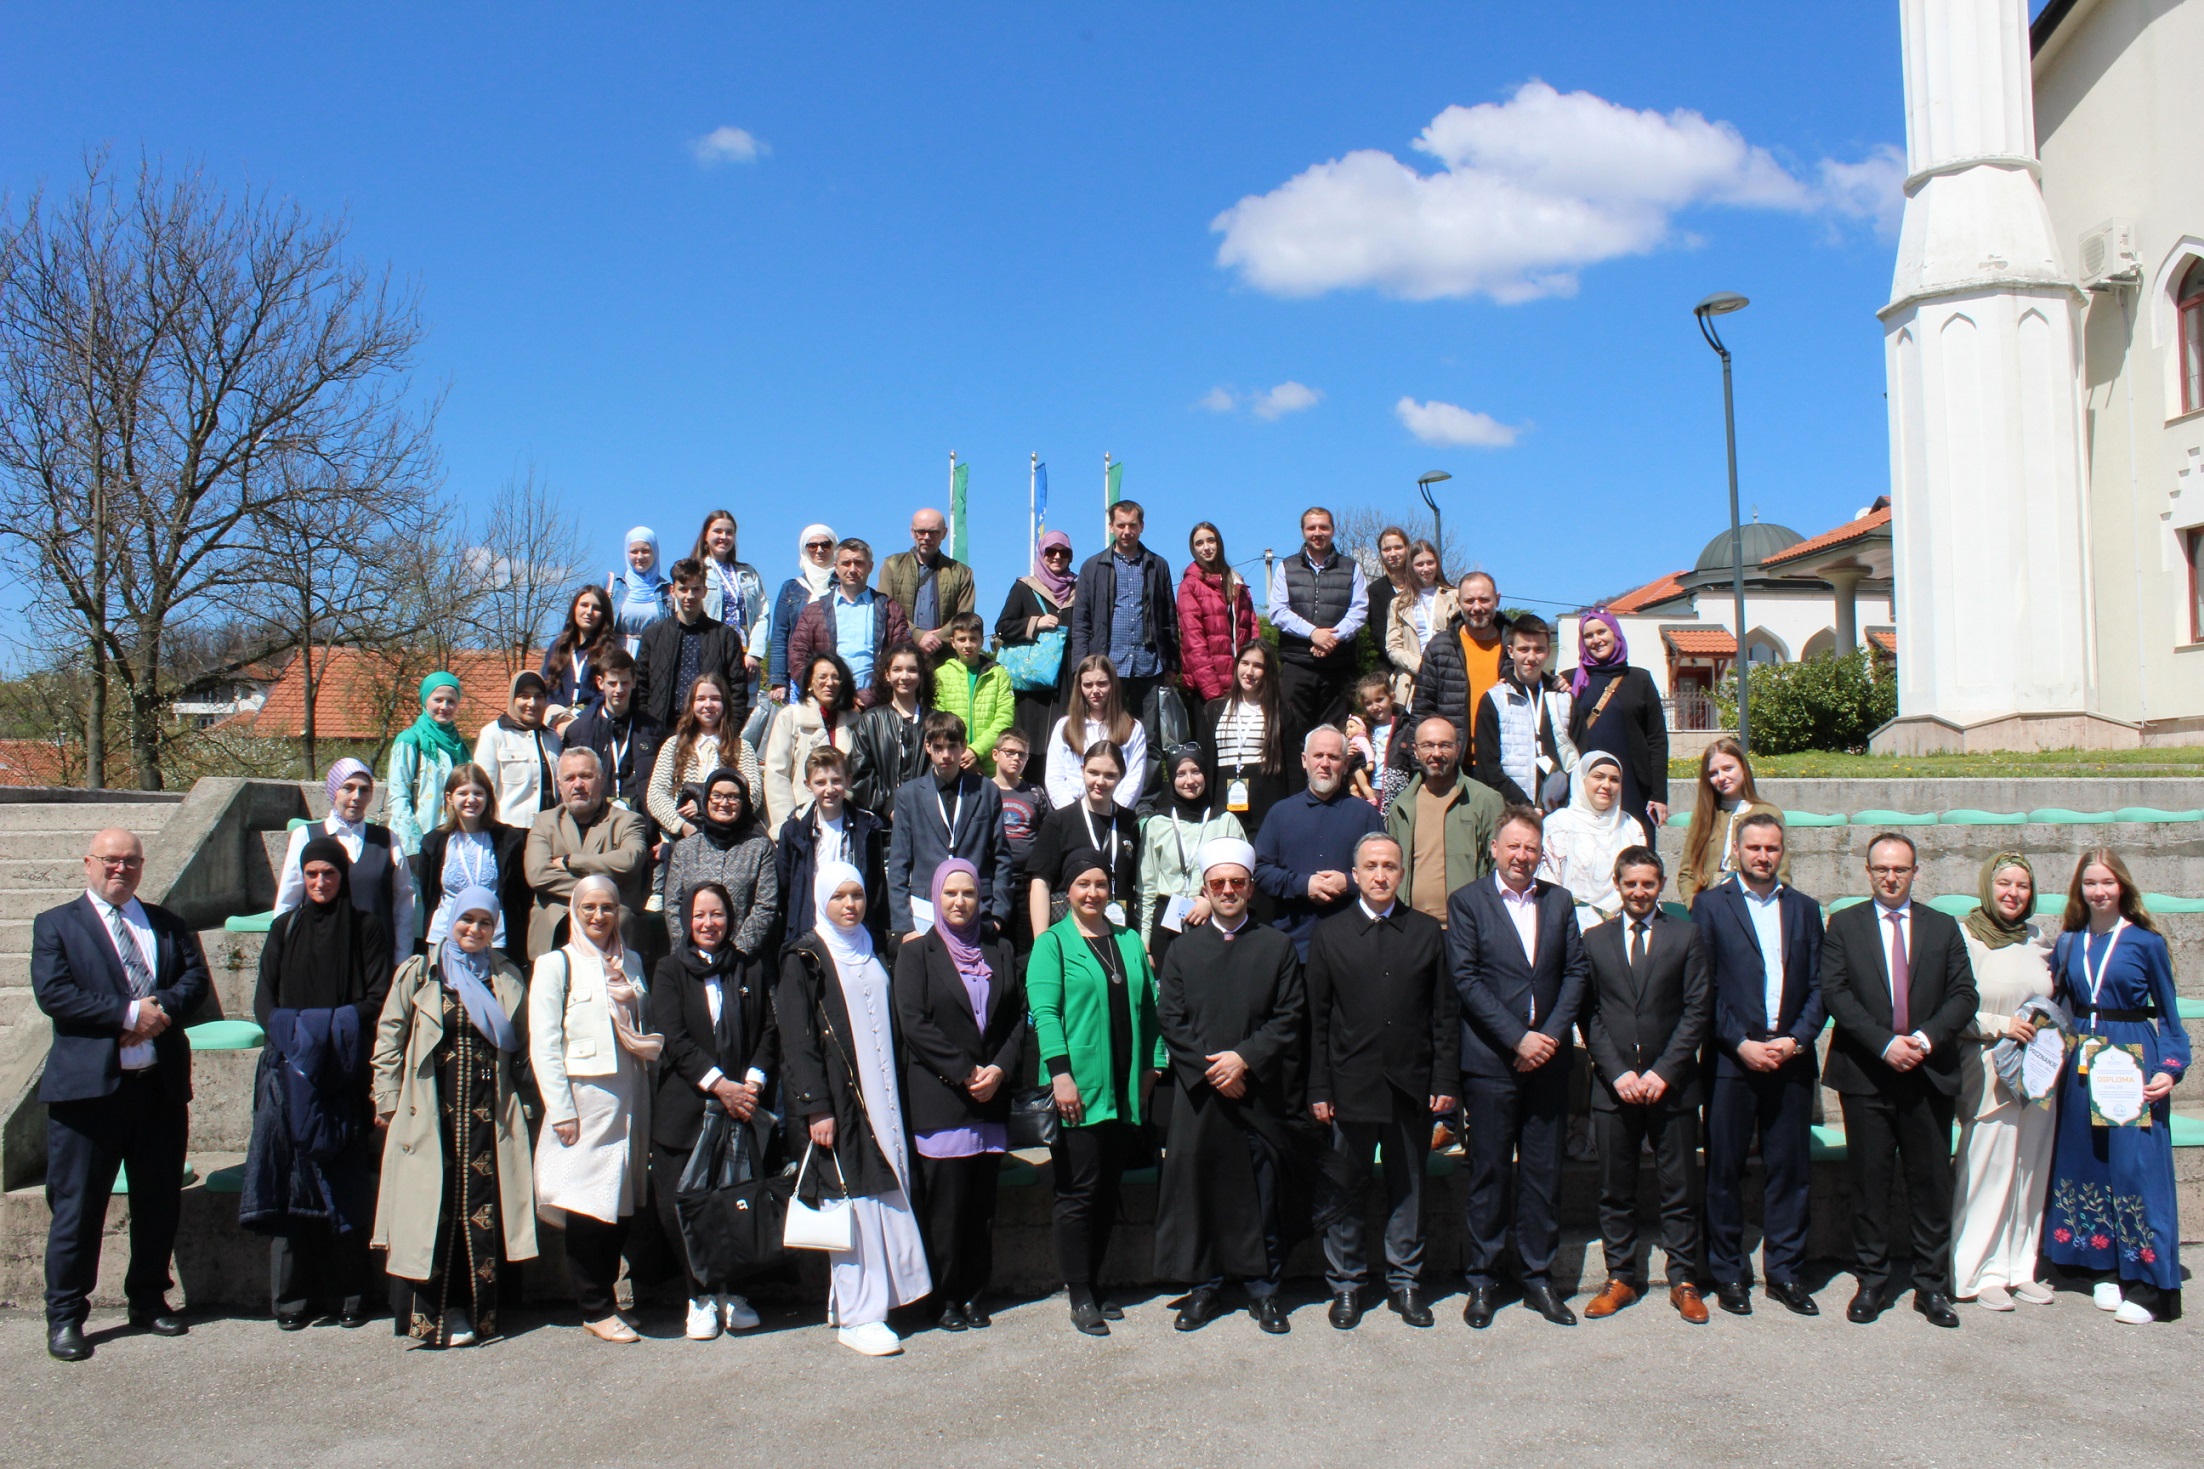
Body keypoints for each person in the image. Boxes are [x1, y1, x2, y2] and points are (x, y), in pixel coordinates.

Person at [33, 828, 211, 1362]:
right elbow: (55, 994)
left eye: (131, 861)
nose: (121, 869)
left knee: (157, 1201)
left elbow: (195, 982)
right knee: (78, 1208)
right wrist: (129, 1014)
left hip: (157, 1089)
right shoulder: (57, 925)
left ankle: (149, 1299)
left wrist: (158, 1013)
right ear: (88, 863)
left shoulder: (166, 923)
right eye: (111, 860)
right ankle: (66, 1315)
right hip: (88, 1097)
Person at [1820, 832, 1978, 1328]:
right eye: (1882, 869)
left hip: (1927, 1075)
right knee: (1870, 1183)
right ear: (1868, 871)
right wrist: (1885, 1044)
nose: (1891, 877)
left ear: (1915, 872)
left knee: (1929, 1183)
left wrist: (1924, 1041)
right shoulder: (1844, 924)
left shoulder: (1942, 926)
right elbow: (1835, 993)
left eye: (1900, 869)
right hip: (1867, 1074)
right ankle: (1872, 1280)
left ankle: (1931, 1285)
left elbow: (1964, 994)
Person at [1155, 837, 1309, 1335]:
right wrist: (1213, 1072)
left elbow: (1289, 1016)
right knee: (1200, 1192)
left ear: (1250, 888)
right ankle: (1204, 1287)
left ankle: (1264, 1290)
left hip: (1256, 1092)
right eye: (1218, 883)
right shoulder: (1182, 950)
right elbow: (1170, 1019)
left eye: (1236, 882)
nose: (1227, 890)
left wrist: (1244, 1060)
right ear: (1205, 889)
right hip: (1201, 1096)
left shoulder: (1277, 946)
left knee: (1261, 1193)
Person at [370, 885, 535, 1349]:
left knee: (478, 1208)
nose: (474, 929)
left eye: (485, 922)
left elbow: (522, 1046)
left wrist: (528, 1105)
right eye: (467, 920)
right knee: (433, 1210)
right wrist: (386, 1099)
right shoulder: (420, 972)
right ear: (451, 920)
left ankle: (477, 1313)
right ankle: (431, 1317)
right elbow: (389, 1037)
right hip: (430, 1113)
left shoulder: (506, 976)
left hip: (488, 1113)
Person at [780, 861, 933, 1356]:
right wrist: (815, 1107)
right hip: (841, 1101)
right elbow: (797, 1039)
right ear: (821, 900)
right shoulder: (805, 957)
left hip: (885, 1098)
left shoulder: (875, 946)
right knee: (853, 1203)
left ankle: (879, 1300)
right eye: (839, 896)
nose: (850, 905)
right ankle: (859, 1316)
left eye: (857, 895)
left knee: (885, 1191)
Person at [1307, 833, 1456, 1330]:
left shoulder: (1426, 932)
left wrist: (1444, 1078)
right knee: (1344, 1189)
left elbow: (1443, 1015)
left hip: (1410, 1084)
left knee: (1408, 1188)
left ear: (1401, 873)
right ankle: (1346, 1284)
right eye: (1370, 866)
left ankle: (1405, 1282)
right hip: (1349, 1084)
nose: (1380, 875)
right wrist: (1319, 1087)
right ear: (1355, 875)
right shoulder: (1330, 934)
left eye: (1389, 866)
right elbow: (1317, 1019)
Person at [243, 839, 394, 1330]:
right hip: (290, 1071)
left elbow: (377, 995)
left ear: (342, 877)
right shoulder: (284, 927)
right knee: (291, 1182)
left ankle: (352, 1294)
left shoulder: (366, 928)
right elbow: (264, 1001)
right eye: (311, 874)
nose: (320, 882)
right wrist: (299, 1038)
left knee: (344, 1182)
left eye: (328, 873)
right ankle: (291, 1300)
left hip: (343, 1071)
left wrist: (328, 1032)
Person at [1449, 807, 1589, 1328]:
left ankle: (1537, 1277)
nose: (1521, 856)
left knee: (1542, 1174)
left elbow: (1576, 972)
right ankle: (1483, 1279)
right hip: (1491, 1063)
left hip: (1547, 1062)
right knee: (1489, 1173)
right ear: (1494, 848)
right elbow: (1466, 979)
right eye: (1513, 845)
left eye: (1530, 848)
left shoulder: (1559, 901)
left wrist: (1547, 1036)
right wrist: (1517, 1037)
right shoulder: (1468, 903)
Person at [2043, 848, 2191, 1324]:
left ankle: (2149, 1285)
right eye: (2090, 883)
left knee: (2135, 1169)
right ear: (2079, 889)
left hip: (2130, 1060)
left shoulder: (2146, 942)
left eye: (2107, 882)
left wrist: (2169, 1067)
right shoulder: (2069, 942)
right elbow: (2058, 1004)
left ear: (2122, 885)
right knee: (2086, 1160)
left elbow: (2169, 1015)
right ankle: (2100, 1266)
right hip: (2083, 1063)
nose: (2099, 891)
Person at [1026, 848, 1167, 1336]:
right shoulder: (1053, 944)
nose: (1092, 893)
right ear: (1067, 891)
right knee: (1078, 1191)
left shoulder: (1128, 941)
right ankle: (1079, 1291)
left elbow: (1150, 1009)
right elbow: (1045, 1014)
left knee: (1108, 1189)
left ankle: (1098, 1280)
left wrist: (1154, 1065)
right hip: (1078, 1087)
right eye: (1082, 885)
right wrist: (1060, 1074)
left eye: (1100, 884)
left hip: (1124, 1085)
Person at [1693, 811, 1825, 1318]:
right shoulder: (1710, 906)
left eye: (1772, 848)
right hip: (1732, 1060)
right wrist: (1740, 1042)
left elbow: (1820, 986)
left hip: (1790, 1059)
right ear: (1737, 851)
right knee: (1724, 1169)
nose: (1763, 856)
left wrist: (1795, 1040)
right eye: (1754, 848)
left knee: (1789, 1171)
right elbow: (1704, 988)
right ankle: (1727, 1272)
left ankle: (1785, 1272)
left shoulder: (1805, 909)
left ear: (1781, 851)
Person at [1578, 847, 1711, 1325]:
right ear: (1617, 884)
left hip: (1671, 1086)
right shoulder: (1595, 940)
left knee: (1679, 1187)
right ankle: (1621, 1277)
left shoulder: (1686, 936)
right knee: (1615, 1188)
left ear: (1661, 886)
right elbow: (1588, 1013)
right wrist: (1618, 1072)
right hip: (1615, 1086)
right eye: (1631, 883)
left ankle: (1684, 1280)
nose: (1639, 892)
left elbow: (1697, 1009)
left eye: (1648, 884)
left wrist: (1663, 1071)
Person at [894, 859, 1026, 1331]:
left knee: (981, 1208)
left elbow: (1018, 1017)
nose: (959, 901)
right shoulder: (916, 954)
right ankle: (945, 1297)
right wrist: (965, 1071)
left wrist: (999, 1068)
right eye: (950, 893)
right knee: (945, 1209)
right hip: (943, 1098)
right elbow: (914, 1023)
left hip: (991, 1095)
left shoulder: (1000, 949)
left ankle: (974, 1293)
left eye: (968, 893)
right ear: (936, 897)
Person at [530, 873, 658, 1342]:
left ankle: (606, 1298)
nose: (599, 916)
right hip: (585, 1101)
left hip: (631, 1095)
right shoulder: (556, 965)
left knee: (620, 1202)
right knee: (587, 1205)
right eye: (589, 907)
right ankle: (594, 1307)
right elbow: (544, 1043)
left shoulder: (632, 962)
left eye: (607, 907)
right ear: (575, 911)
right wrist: (561, 1109)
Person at [648, 881, 776, 1342]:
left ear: (731, 918)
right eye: (699, 915)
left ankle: (735, 1293)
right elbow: (675, 1038)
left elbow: (768, 1029)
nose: (708, 923)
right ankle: (698, 1296)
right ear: (686, 920)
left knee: (737, 1206)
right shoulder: (669, 970)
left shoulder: (749, 966)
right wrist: (721, 1086)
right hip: (687, 1111)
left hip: (741, 1109)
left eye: (717, 914)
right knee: (685, 1210)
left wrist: (751, 1084)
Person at [1951, 852, 2060, 1309]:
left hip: (2037, 1073)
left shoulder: (2037, 939)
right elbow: (1952, 1008)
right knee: (1988, 1170)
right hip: (1989, 1068)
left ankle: (2019, 1266)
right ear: (1986, 886)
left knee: (2029, 1169)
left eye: (2022, 885)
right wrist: (2001, 1025)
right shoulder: (1966, 937)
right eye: (2004, 884)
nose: (2013, 893)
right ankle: (1977, 1271)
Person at [1064, 499, 1178, 792]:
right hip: (1107, 667)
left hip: (1149, 665)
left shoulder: (1157, 565)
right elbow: (1081, 621)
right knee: (1106, 736)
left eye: (1133, 525)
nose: (1127, 531)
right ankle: (1107, 797)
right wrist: (1081, 667)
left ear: (1142, 527)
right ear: (1111, 527)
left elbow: (1169, 616)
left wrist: (1172, 663)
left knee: (1151, 739)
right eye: (1121, 525)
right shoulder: (1093, 566)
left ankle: (1146, 802)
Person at [1253, 726, 1384, 958]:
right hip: (1294, 946)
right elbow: (1261, 871)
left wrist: (1349, 882)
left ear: (1346, 764)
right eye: (1318, 755)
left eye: (1333, 757)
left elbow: (1384, 872)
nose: (1325, 763)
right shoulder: (1280, 813)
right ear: (1305, 760)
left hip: (1354, 946)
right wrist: (1303, 885)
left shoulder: (1366, 815)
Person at [886, 712, 1012, 942]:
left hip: (978, 910)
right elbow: (898, 865)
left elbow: (1001, 856)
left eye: (952, 746)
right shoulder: (908, 795)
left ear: (963, 746)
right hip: (925, 913)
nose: (946, 755)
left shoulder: (986, 790)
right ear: (927, 747)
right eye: (938, 747)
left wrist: (998, 914)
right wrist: (904, 925)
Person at [276, 757, 418, 952]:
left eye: (364, 790)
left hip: (374, 955)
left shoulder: (387, 839)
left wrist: (402, 956)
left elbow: (404, 903)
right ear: (333, 790)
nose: (356, 796)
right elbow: (288, 900)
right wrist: (281, 952)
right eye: (348, 788)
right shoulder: (306, 836)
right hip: (321, 952)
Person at [524, 747, 650, 959]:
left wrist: (571, 861)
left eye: (586, 776)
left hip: (612, 928)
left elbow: (629, 861)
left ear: (601, 780)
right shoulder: (544, 822)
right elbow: (537, 874)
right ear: (559, 785)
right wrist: (601, 891)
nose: (578, 785)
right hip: (557, 927)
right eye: (569, 778)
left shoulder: (628, 821)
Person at [1267, 506, 1368, 759]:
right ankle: (1297, 786)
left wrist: (1331, 638)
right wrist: (1313, 634)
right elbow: (1278, 611)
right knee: (1292, 739)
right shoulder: (1287, 567)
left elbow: (1359, 610)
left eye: (1323, 527)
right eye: (1311, 527)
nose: (1318, 532)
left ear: (1333, 530)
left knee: (1335, 740)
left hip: (1338, 667)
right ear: (1303, 531)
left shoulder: (1352, 568)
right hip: (1297, 666)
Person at [1386, 716, 1502, 930]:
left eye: (1445, 745)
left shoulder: (1485, 800)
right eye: (1428, 745)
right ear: (1415, 751)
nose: (1436, 753)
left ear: (1458, 749)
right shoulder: (1401, 806)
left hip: (1467, 929)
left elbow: (1499, 866)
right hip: (1411, 929)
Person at [1135, 743, 1244, 969]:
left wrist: (1210, 903)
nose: (1189, 780)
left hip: (1214, 919)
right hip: (1167, 923)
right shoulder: (1157, 824)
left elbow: (1243, 878)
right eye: (1181, 774)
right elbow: (1146, 888)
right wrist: (1145, 944)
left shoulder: (1226, 821)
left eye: (1196, 771)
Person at [777, 745, 889, 953]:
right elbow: (786, 886)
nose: (829, 789)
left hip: (854, 928)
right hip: (810, 928)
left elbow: (876, 886)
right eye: (820, 782)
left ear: (848, 780)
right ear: (808, 785)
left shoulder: (867, 827)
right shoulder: (794, 830)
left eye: (836, 781)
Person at [1028, 739, 1143, 942]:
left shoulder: (1129, 821)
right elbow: (1041, 883)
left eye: (1110, 775)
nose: (1100, 781)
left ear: (1121, 777)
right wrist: (1042, 942)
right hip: (1070, 934)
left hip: (1119, 933)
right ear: (1082, 770)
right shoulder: (1059, 821)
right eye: (1093, 773)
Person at [1566, 609, 1671, 832]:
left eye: (1601, 632)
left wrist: (1659, 795)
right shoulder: (1570, 680)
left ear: (1615, 633)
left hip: (1633, 788)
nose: (1596, 640)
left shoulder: (1640, 680)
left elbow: (1657, 739)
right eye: (1588, 635)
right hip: (1584, 788)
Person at [412, 763, 530, 957]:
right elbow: (430, 893)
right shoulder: (434, 842)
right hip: (445, 937)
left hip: (495, 940)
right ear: (449, 798)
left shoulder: (508, 839)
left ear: (488, 797)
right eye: (463, 793)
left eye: (478, 793)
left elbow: (519, 894)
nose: (471, 800)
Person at [663, 766, 780, 956]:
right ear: (706, 800)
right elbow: (673, 905)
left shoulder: (759, 848)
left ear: (744, 802)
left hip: (744, 959)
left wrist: (737, 952)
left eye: (733, 797)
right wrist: (691, 952)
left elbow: (765, 905)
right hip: (692, 958)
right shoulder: (686, 849)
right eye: (716, 796)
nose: (724, 803)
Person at [788, 537, 913, 705]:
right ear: (836, 567)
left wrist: (866, 698)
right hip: (827, 706)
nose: (852, 569)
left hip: (875, 706)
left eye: (859, 563)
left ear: (870, 567)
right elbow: (797, 655)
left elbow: (903, 656)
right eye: (846, 563)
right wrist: (826, 693)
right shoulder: (813, 612)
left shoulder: (890, 610)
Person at [636, 557, 752, 737]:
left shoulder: (725, 637)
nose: (689, 596)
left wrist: (728, 732)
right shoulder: (653, 636)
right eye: (683, 589)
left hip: (710, 733)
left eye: (696, 589)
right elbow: (641, 686)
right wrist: (646, 729)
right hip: (661, 731)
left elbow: (738, 690)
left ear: (705, 591)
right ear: (672, 591)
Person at [647, 670, 761, 851]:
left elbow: (753, 793)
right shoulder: (673, 746)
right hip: (681, 839)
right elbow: (656, 794)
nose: (708, 705)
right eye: (701, 699)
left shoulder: (741, 747)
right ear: (692, 704)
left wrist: (703, 806)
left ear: (725, 704)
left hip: (729, 840)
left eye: (715, 699)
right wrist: (683, 826)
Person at [1409, 571, 1511, 773]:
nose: (1477, 607)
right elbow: (1422, 710)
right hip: (1455, 766)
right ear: (1458, 602)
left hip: (1505, 764)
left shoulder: (1515, 646)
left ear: (1497, 599)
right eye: (1469, 600)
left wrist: (1555, 683)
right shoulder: (1440, 647)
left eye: (1484, 599)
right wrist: (1419, 769)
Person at [1473, 614, 1578, 811]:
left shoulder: (1565, 699)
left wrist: (1564, 803)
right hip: (1512, 812)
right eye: (1524, 649)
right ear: (1510, 651)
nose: (1531, 658)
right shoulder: (1493, 700)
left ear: (1548, 652)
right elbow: (1488, 767)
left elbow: (1579, 756)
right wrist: (1525, 808)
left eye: (1539, 650)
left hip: (1560, 811)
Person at [1536, 751, 1649, 927]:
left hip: (1624, 928)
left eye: (1614, 779)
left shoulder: (1631, 826)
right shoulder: (1559, 824)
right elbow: (1549, 887)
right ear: (1582, 780)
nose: (1606, 785)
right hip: (1571, 925)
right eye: (1598, 777)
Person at [1676, 737, 1790, 903]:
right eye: (1713, 773)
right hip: (1711, 903)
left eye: (1728, 768)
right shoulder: (1704, 816)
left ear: (1743, 768)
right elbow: (1687, 874)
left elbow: (1782, 874)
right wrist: (1696, 906)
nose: (1721, 777)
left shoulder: (1770, 813)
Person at [995, 528, 1076, 756]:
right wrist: (1036, 623)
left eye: (1064, 552)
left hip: (1067, 681)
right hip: (1032, 684)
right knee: (1030, 745)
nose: (1057, 557)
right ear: (1041, 553)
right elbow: (1003, 627)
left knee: (1064, 744)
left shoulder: (1079, 589)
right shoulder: (1024, 587)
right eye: (1051, 551)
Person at [561, 646, 663, 822]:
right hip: (594, 825)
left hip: (641, 824)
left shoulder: (653, 730)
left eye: (624, 682)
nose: (619, 690)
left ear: (634, 681)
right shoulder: (579, 731)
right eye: (612, 683)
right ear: (600, 682)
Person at [762, 651, 857, 831]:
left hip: (845, 822)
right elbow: (777, 774)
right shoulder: (791, 717)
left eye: (836, 677)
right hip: (801, 821)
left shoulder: (855, 722)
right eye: (822, 677)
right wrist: (787, 825)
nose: (829, 683)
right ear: (809, 684)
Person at [1204, 641, 1288, 836]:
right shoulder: (1214, 710)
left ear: (1267, 672)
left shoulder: (1280, 712)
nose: (1249, 672)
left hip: (1266, 804)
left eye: (1257, 666)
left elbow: (1293, 769)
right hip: (1223, 804)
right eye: (1245, 663)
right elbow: (1206, 764)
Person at [1045, 654, 1149, 812]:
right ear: (1079, 687)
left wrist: (1112, 813)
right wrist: (1073, 815)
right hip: (1072, 814)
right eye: (1088, 685)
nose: (1095, 690)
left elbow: (1134, 780)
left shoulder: (1133, 728)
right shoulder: (1064, 726)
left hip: (1115, 814)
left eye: (1102, 683)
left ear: (1113, 685)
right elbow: (1054, 778)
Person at [386, 670, 471, 857]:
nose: (444, 707)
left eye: (451, 701)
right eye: (438, 700)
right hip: (417, 843)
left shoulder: (459, 746)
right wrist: (416, 847)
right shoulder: (410, 741)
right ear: (425, 701)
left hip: (454, 843)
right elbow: (399, 796)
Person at [1176, 520, 1256, 707]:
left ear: (1219, 543)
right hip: (1208, 691)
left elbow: (1252, 629)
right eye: (1199, 543)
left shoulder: (1236, 582)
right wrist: (1213, 693)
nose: (1206, 547)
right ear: (1193, 549)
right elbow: (1193, 643)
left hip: (1242, 685)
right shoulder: (1190, 586)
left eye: (1210, 541)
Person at [847, 642, 931, 818]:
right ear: (887, 675)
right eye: (897, 669)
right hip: (881, 824)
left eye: (912, 670)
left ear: (921, 674)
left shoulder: (934, 722)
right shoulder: (871, 721)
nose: (905, 676)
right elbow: (861, 774)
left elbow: (940, 771)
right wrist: (890, 807)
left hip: (926, 818)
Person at [880, 506, 975, 660]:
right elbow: (885, 609)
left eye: (933, 532)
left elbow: (964, 616)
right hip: (901, 657)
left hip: (945, 658)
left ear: (944, 533)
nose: (926, 537)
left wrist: (936, 638)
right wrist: (916, 635)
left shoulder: (961, 573)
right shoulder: (892, 565)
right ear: (912, 532)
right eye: (921, 531)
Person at [473, 671, 563, 830]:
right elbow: (482, 790)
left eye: (538, 696)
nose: (532, 703)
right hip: (507, 833)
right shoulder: (493, 734)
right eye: (524, 696)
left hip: (550, 831)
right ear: (513, 698)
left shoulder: (553, 738)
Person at [989, 728, 1051, 953]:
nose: (1016, 758)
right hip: (994, 882)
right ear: (995, 754)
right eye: (1010, 752)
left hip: (1028, 885)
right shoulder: (983, 791)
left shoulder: (1034, 793)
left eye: (1022, 754)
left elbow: (1048, 834)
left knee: (1027, 948)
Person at [766, 523, 839, 705]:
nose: (819, 550)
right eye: (812, 545)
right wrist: (778, 680)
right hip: (799, 674)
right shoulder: (791, 588)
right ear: (804, 550)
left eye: (825, 545)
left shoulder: (844, 586)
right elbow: (780, 635)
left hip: (837, 674)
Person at [932, 610, 1013, 773]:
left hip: (990, 764)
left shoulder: (998, 674)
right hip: (954, 762)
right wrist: (962, 755)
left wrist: (976, 751)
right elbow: (939, 720)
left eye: (973, 639)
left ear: (982, 641)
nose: (968, 645)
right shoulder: (941, 675)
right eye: (962, 639)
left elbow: (1005, 719)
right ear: (952, 642)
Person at [691, 508, 767, 673]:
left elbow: (761, 615)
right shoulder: (695, 571)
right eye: (717, 531)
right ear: (705, 535)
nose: (724, 537)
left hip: (743, 656)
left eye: (729, 532)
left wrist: (754, 654)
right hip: (707, 654)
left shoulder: (748, 574)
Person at [1384, 539, 1454, 707]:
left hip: (1448, 675)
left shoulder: (1454, 596)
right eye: (1419, 564)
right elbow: (1393, 647)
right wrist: (1422, 665)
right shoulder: (1399, 603)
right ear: (1411, 567)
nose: (1426, 569)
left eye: (1430, 563)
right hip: (1413, 680)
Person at [542, 585, 616, 734]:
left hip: (592, 726)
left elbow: (607, 694)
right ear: (574, 608)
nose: (589, 612)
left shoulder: (610, 651)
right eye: (584, 605)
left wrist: (579, 717)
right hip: (556, 725)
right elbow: (546, 687)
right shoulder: (558, 647)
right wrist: (559, 716)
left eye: (596, 608)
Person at [1344, 669, 1408, 811]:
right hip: (1369, 788)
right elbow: (1350, 758)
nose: (1375, 707)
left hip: (1397, 790)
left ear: (1391, 697)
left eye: (1379, 700)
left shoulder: (1405, 726)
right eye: (1368, 703)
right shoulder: (1363, 729)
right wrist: (1348, 753)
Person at [608, 526, 670, 655]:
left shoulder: (667, 590)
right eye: (634, 551)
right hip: (617, 659)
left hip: (654, 657)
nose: (640, 556)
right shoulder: (613, 586)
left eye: (645, 551)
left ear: (655, 552)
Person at [1364, 525, 1412, 678]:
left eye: (1398, 547)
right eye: (1387, 549)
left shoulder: (1421, 586)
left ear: (1407, 549)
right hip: (1391, 667)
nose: (1393, 553)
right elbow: (1379, 635)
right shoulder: (1375, 591)